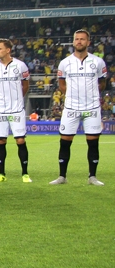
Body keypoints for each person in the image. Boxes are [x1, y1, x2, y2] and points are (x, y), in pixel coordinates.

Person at [51, 29, 108, 186]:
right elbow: (61, 83)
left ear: (88, 42)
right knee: (65, 141)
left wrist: (92, 94)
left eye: (82, 39)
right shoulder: (65, 62)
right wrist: (71, 95)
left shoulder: (98, 62)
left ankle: (92, 177)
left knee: (93, 141)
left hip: (92, 107)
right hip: (71, 107)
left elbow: (102, 83)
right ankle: (62, 176)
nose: (79, 41)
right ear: (73, 42)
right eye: (77, 39)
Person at [0, 38, 31, 183]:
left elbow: (25, 86)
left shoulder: (20, 66)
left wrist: (17, 99)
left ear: (8, 50)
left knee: (20, 140)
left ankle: (25, 174)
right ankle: (1, 174)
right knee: (0, 141)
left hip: (17, 110)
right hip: (0, 110)